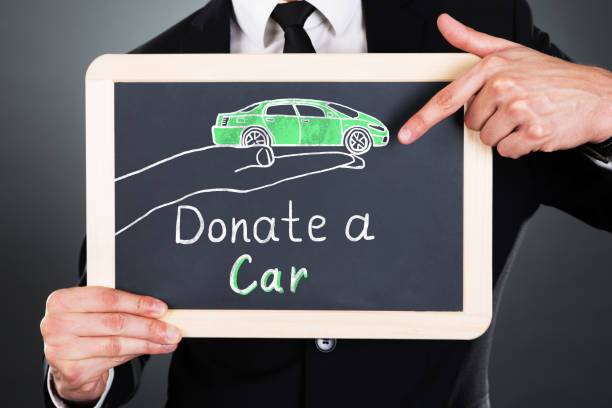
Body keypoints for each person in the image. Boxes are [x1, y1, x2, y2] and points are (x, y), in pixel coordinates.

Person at [40, 0, 612, 407]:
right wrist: (80, 379)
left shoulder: (486, 31)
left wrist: (605, 103)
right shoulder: (147, 76)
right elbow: (115, 305)